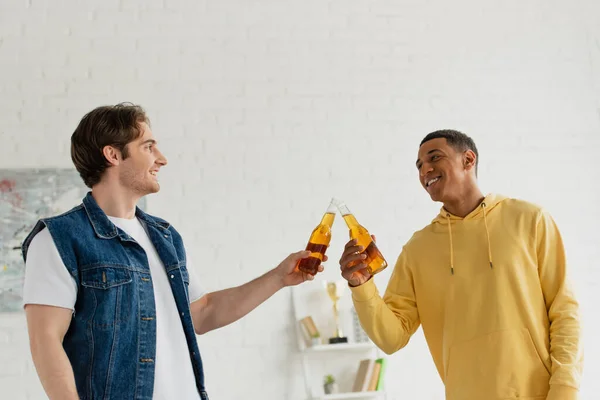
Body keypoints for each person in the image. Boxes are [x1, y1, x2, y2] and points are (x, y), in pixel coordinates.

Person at [21, 103, 324, 400]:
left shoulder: (164, 236)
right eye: (148, 147)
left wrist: (278, 278)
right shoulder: (58, 239)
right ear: (113, 154)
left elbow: (202, 313)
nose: (162, 159)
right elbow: (45, 341)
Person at [339, 130, 583, 400]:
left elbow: (565, 312)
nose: (424, 170)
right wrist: (361, 286)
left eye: (434, 158)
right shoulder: (417, 250)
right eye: (419, 166)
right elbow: (391, 338)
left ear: (468, 160)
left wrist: (565, 391)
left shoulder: (529, 219)